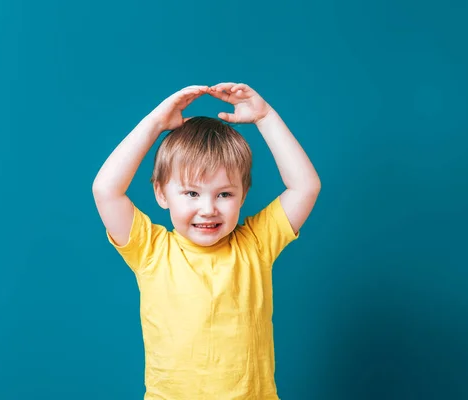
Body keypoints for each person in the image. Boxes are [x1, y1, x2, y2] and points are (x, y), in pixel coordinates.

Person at [92, 83, 321, 399]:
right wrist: (156, 123)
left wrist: (265, 116)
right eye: (191, 193)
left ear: (243, 195)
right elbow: (105, 189)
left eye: (225, 194)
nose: (208, 208)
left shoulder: (256, 244)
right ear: (161, 193)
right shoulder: (151, 251)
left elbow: (305, 186)